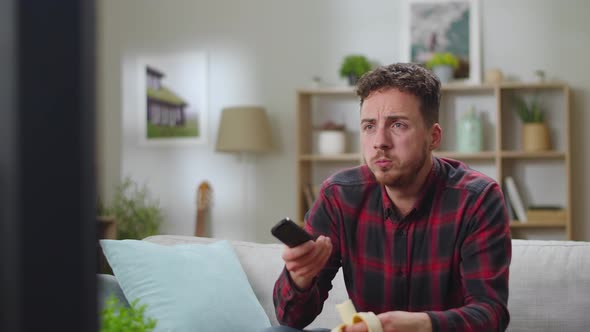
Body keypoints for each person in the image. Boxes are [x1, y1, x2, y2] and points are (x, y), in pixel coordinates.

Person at [267, 63, 511, 332]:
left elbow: (491, 315)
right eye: (369, 126)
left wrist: (420, 326)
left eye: (398, 124)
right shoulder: (338, 196)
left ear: (434, 137)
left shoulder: (478, 199)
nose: (379, 141)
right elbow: (291, 319)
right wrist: (300, 278)